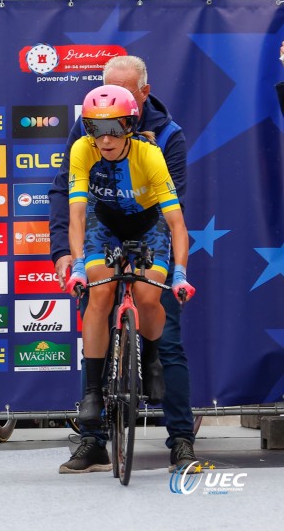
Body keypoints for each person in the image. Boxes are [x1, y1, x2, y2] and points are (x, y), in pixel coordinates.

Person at [50, 56, 199, 474]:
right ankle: (93, 438)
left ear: (141, 98)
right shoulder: (87, 131)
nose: (105, 132)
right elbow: (68, 194)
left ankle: (181, 440)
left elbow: (175, 213)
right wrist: (69, 256)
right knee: (96, 301)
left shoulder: (166, 137)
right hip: (101, 224)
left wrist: (178, 273)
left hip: (149, 222)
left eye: (124, 99)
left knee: (165, 333)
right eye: (98, 124)